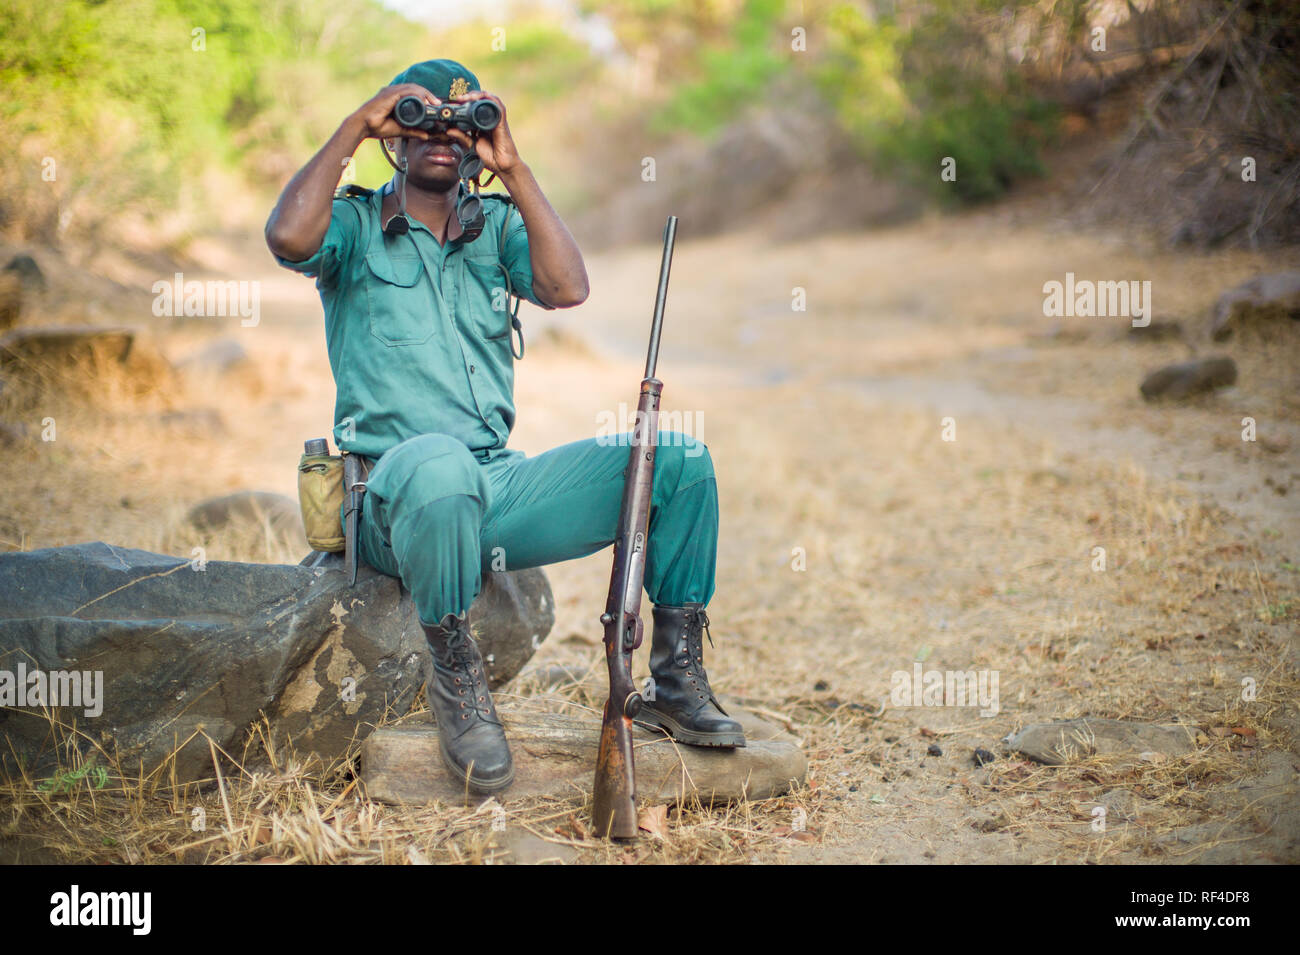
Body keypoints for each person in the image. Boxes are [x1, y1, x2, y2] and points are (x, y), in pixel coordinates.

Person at [265, 59, 744, 795]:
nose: (444, 136)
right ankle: (457, 679)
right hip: (393, 494)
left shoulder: (497, 228)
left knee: (676, 457)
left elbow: (567, 287)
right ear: (393, 136)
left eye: (464, 122)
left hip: (493, 481)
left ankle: (677, 679)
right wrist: (357, 123)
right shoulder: (355, 226)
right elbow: (288, 239)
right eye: (420, 118)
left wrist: (513, 168)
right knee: (438, 465)